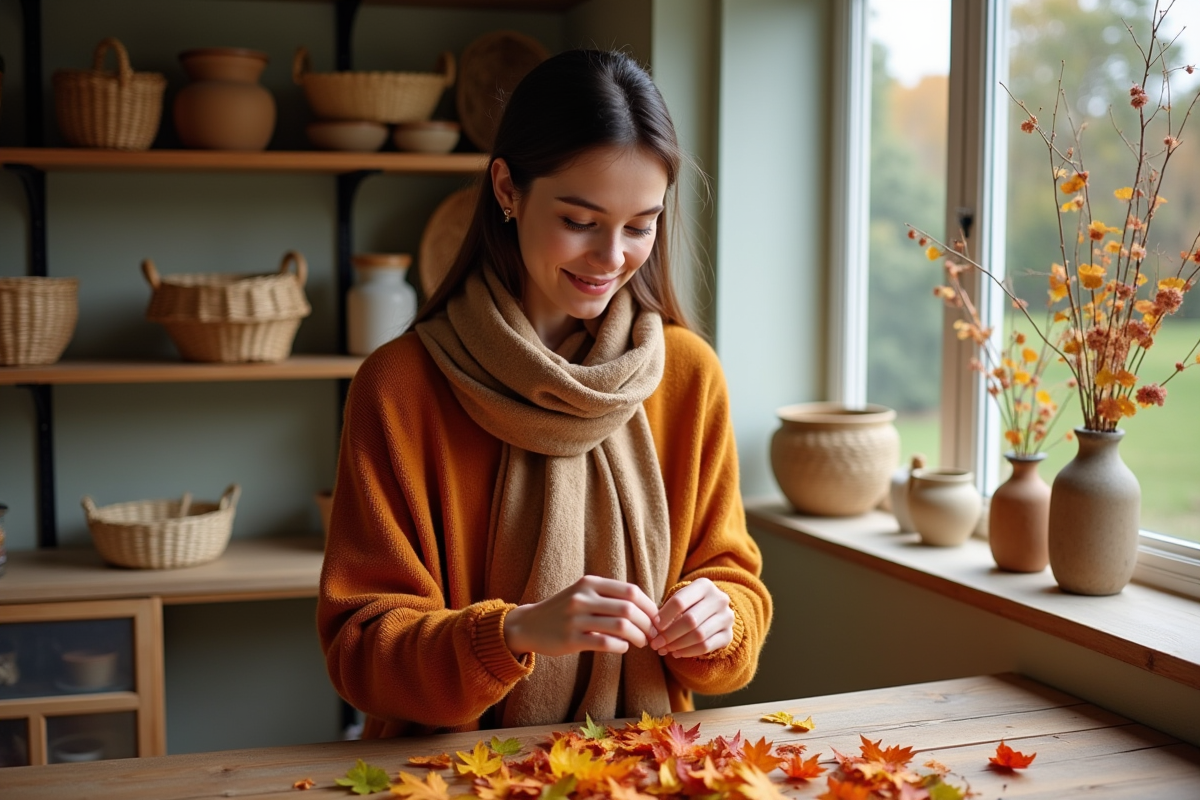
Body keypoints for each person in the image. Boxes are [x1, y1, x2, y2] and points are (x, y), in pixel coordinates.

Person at [317, 49, 772, 739]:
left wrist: (721, 619)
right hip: (446, 779)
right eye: (581, 221)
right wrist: (514, 632)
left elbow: (736, 591)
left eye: (641, 224)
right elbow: (359, 650)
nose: (612, 257)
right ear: (507, 187)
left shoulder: (688, 376)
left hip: (648, 769)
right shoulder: (400, 386)